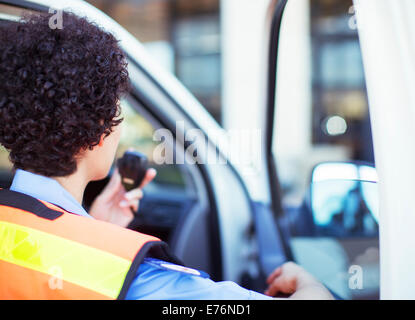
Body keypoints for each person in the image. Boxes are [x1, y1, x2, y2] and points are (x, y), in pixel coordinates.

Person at [0, 10, 333, 300]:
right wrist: (312, 286)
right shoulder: (137, 279)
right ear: (100, 130)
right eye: (116, 111)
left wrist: (93, 230)